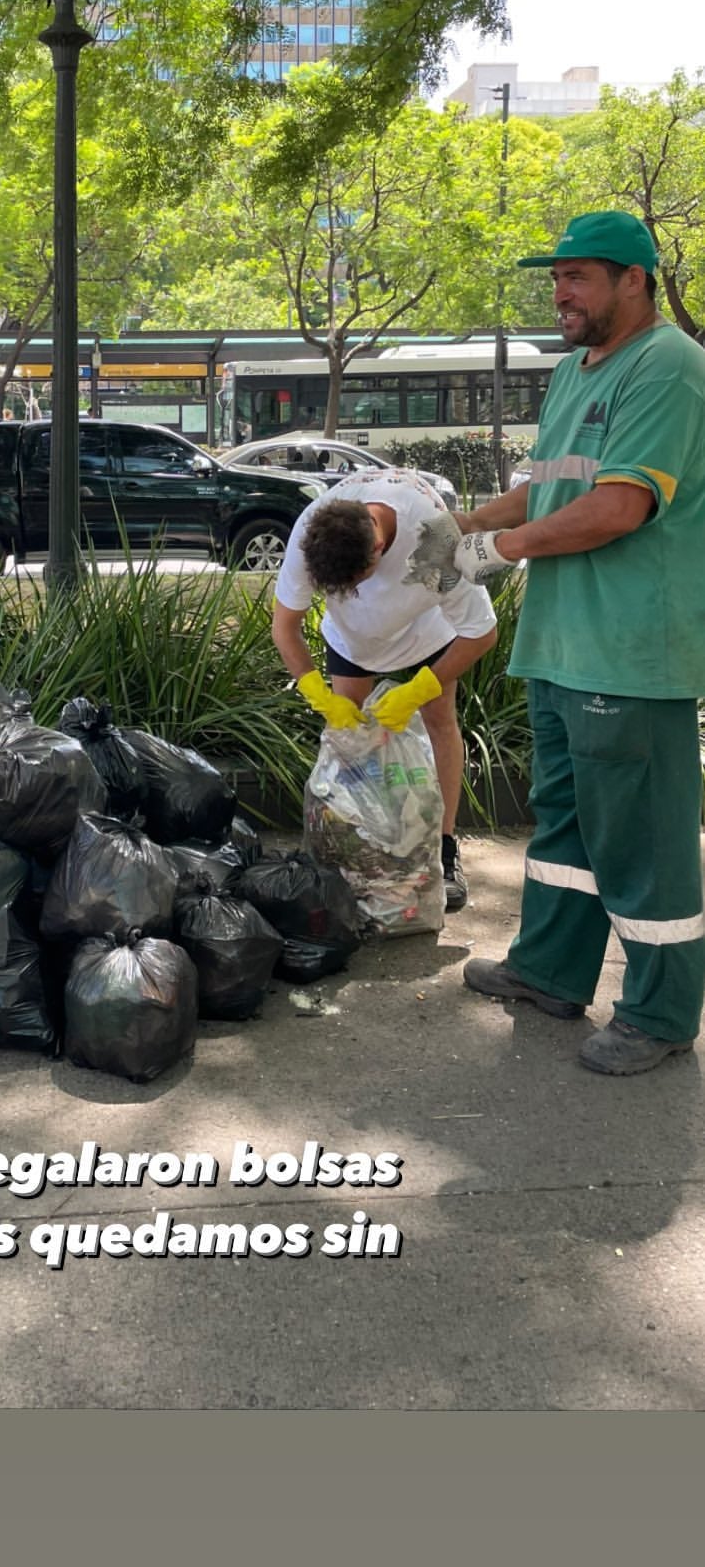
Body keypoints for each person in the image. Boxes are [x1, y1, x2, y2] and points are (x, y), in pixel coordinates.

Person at [407, 211, 705, 1075]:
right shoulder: (577, 372)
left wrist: (490, 552)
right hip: (562, 645)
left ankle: (658, 1012)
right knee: (568, 828)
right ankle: (550, 970)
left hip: (630, 653)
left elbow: (619, 507)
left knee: (642, 845)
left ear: (633, 281)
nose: (560, 292)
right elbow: (543, 493)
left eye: (577, 276)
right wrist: (445, 531)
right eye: (556, 277)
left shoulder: (671, 371)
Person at [272, 466, 498, 909]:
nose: (349, 593)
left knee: (439, 723)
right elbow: (285, 627)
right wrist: (316, 692)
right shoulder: (313, 529)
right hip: (353, 643)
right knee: (349, 741)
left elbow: (482, 633)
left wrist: (419, 689)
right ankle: (354, 849)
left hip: (428, 633)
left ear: (378, 549)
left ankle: (445, 851)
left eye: (356, 585)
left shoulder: (436, 541)